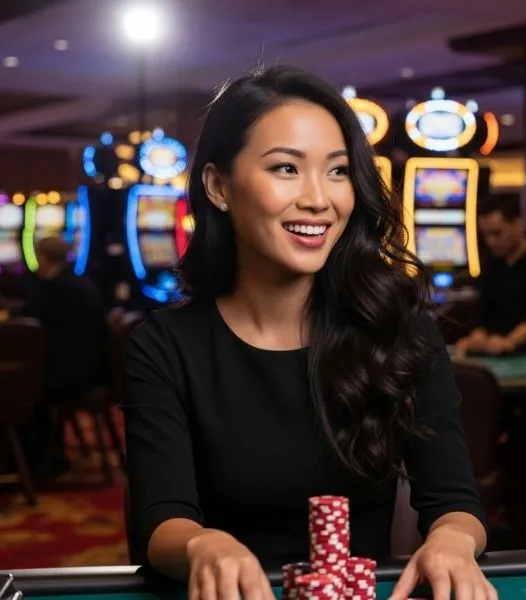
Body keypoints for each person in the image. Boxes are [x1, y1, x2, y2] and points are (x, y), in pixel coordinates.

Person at [122, 65, 493, 600]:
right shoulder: (164, 345)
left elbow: (455, 501)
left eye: (338, 171)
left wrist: (452, 539)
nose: (319, 199)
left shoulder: (397, 327)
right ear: (219, 186)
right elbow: (161, 521)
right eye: (286, 168)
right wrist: (203, 544)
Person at [17, 236, 109, 477]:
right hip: (90, 371)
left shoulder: (55, 288)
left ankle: (32, 461)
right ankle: (40, 457)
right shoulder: (78, 283)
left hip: (70, 377)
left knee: (17, 386)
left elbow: (25, 319)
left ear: (42, 257)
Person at [455, 196, 526, 356]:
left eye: (497, 233)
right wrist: (477, 338)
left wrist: (509, 342)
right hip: (497, 356)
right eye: (486, 235)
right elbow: (482, 315)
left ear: (518, 224)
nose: (491, 242)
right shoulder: (490, 266)